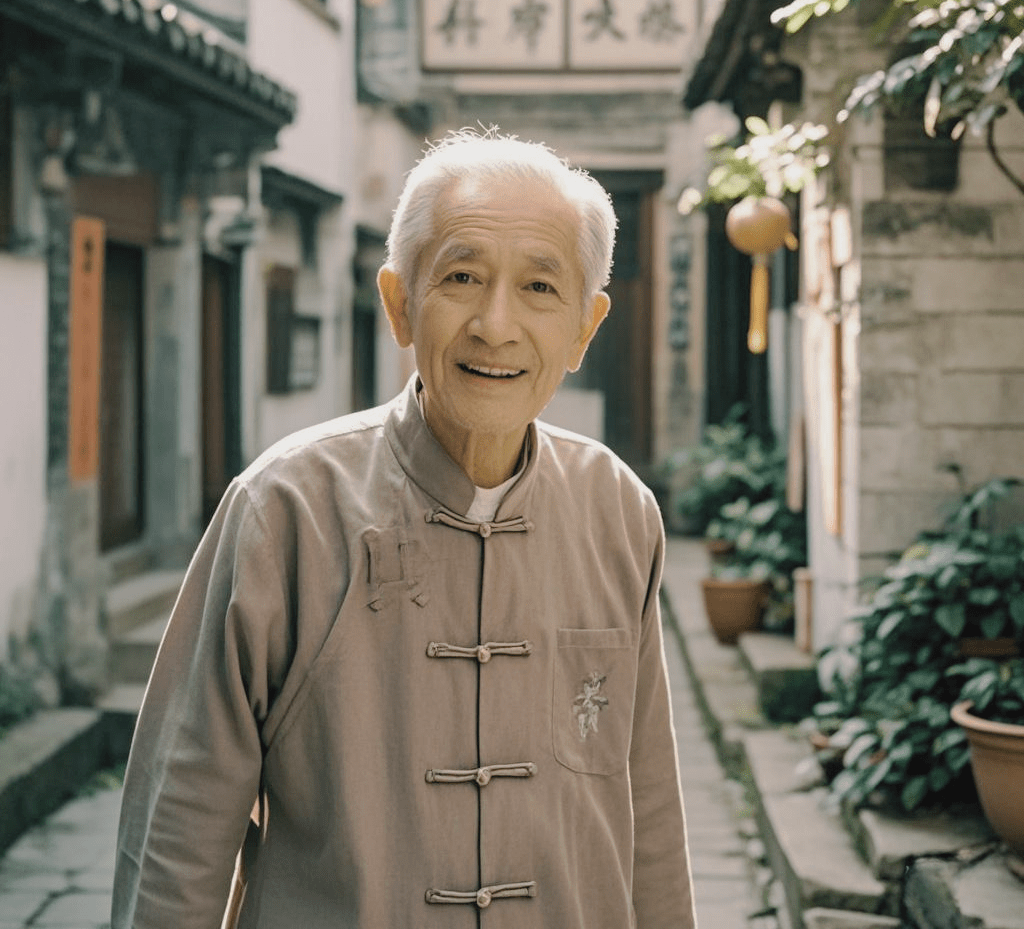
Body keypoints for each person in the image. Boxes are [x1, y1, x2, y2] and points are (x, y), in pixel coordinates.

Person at [112, 130, 696, 929]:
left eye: (538, 287)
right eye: (461, 277)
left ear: (584, 330)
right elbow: (180, 817)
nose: (496, 325)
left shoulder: (618, 510)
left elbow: (649, 803)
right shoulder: (286, 508)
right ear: (399, 303)